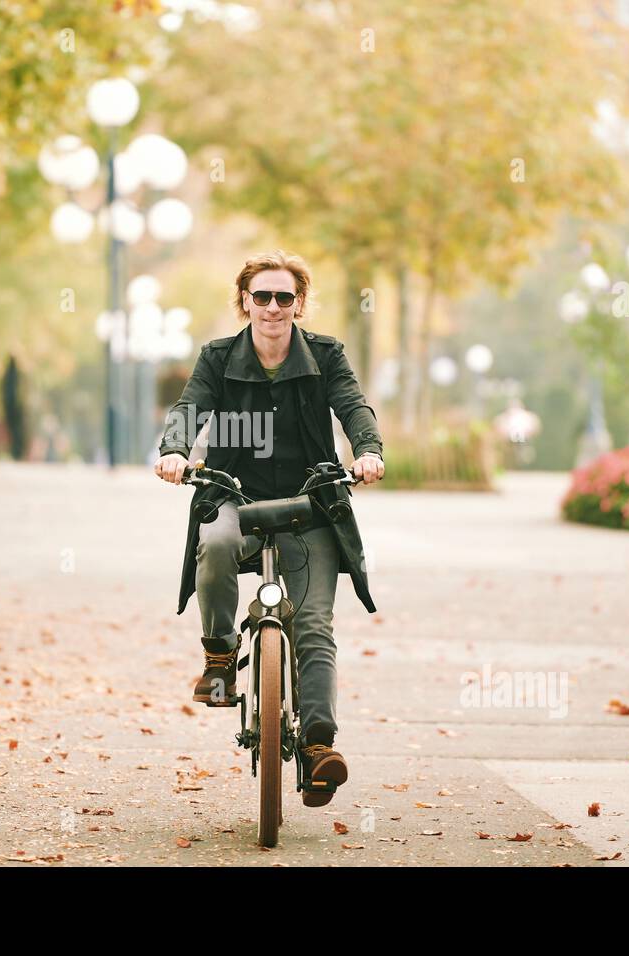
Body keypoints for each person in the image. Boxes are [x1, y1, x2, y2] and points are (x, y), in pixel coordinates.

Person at [153, 249, 384, 807]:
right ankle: (218, 655)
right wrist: (175, 451)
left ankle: (318, 745)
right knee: (216, 542)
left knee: (313, 626)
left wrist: (369, 450)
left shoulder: (327, 356)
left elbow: (353, 408)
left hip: (310, 503)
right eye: (263, 297)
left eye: (285, 297)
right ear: (244, 303)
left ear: (299, 304)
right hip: (235, 495)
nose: (274, 307)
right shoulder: (216, 357)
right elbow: (190, 408)